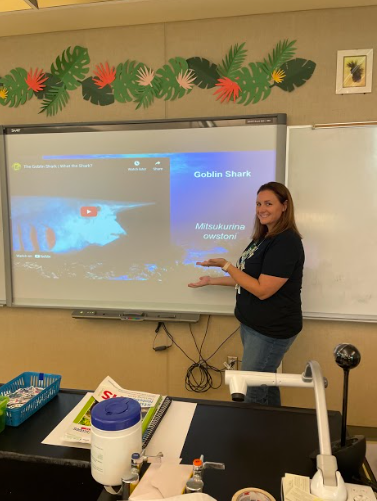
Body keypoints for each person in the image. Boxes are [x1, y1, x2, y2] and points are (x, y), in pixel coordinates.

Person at [188, 181, 305, 406]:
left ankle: (255, 438)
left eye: (268, 203)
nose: (261, 208)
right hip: (252, 325)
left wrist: (225, 265)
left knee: (251, 391)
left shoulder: (286, 242)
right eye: (258, 203)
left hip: (271, 330)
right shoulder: (263, 238)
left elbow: (262, 290)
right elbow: (247, 279)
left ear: (285, 205)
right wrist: (211, 280)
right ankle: (271, 432)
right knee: (265, 382)